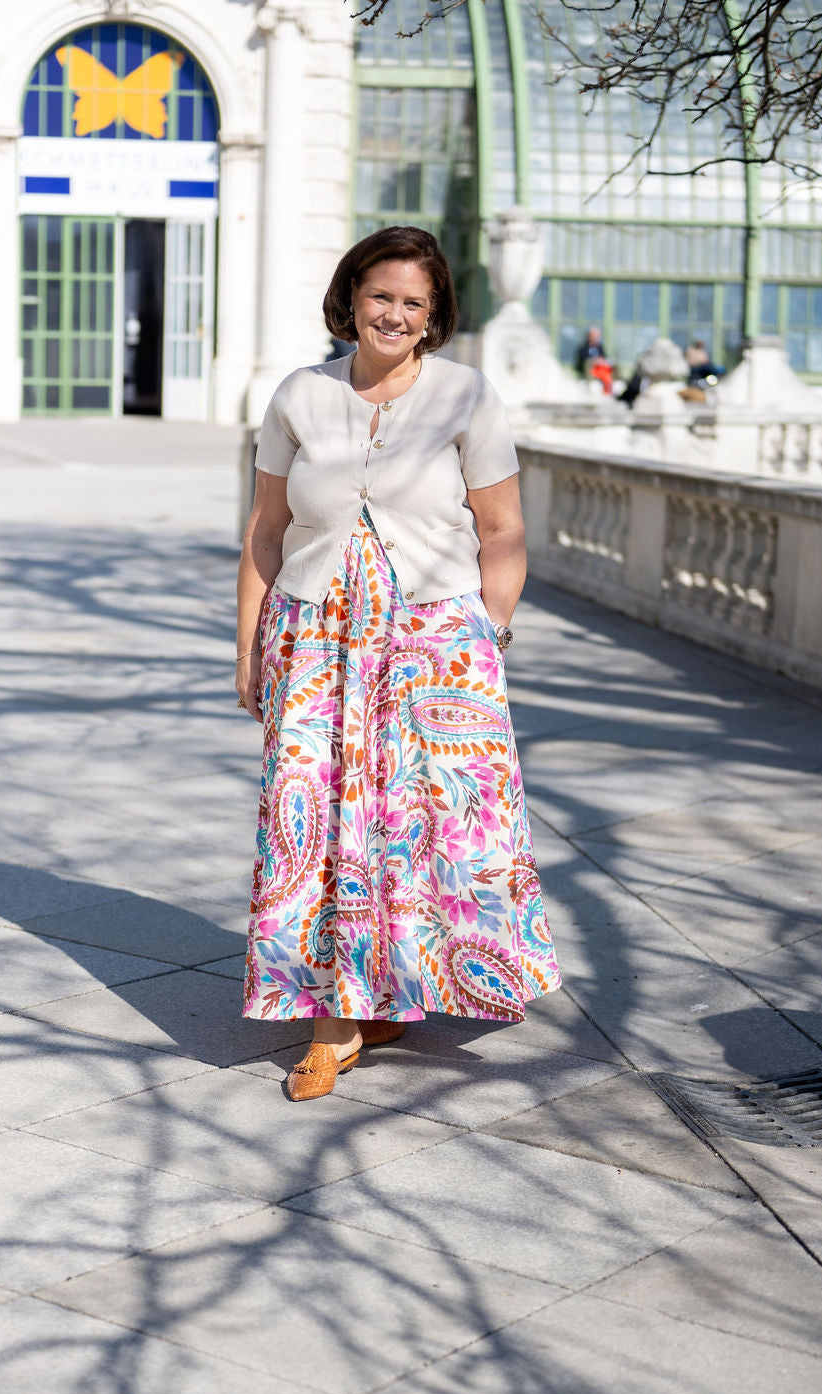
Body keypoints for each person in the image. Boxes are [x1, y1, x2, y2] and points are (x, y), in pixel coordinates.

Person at [236, 225, 562, 1101]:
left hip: (432, 643)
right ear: (351, 298)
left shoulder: (466, 398)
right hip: (313, 638)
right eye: (380, 295)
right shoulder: (300, 396)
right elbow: (266, 534)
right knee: (311, 815)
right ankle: (329, 1021)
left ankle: (386, 991)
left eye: (412, 303)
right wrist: (249, 647)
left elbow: (502, 533)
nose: (394, 314)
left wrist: (483, 640)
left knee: (424, 824)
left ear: (433, 317)